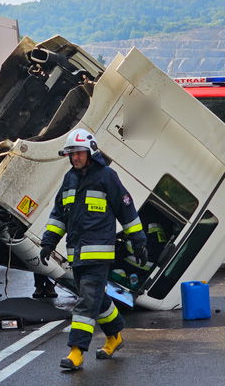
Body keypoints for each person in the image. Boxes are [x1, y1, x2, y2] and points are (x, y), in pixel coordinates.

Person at [39, 128, 147, 371]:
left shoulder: (107, 177)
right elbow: (58, 214)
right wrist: (48, 242)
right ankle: (115, 335)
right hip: (76, 254)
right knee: (96, 300)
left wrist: (138, 241)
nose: (74, 158)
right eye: (71, 154)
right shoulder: (69, 179)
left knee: (86, 302)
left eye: (79, 153)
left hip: (98, 255)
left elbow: (126, 210)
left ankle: (76, 351)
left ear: (91, 152)